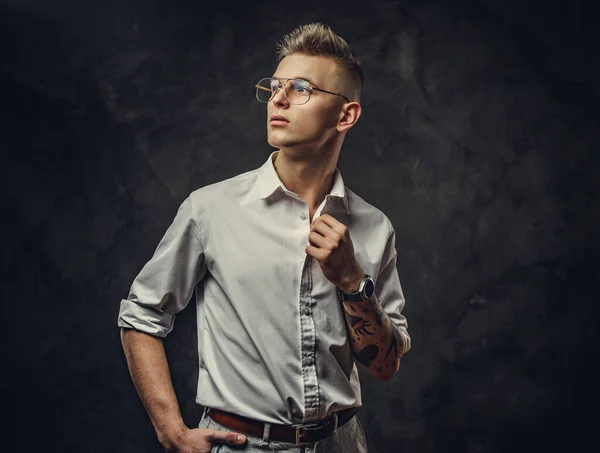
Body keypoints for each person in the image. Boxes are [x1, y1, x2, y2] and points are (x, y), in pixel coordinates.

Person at [118, 22, 411, 453]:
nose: (278, 98)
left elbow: (385, 366)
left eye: (300, 88)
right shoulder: (211, 210)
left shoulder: (374, 227)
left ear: (345, 115)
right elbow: (141, 317)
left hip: (341, 443)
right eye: (274, 86)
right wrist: (171, 430)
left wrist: (353, 283)